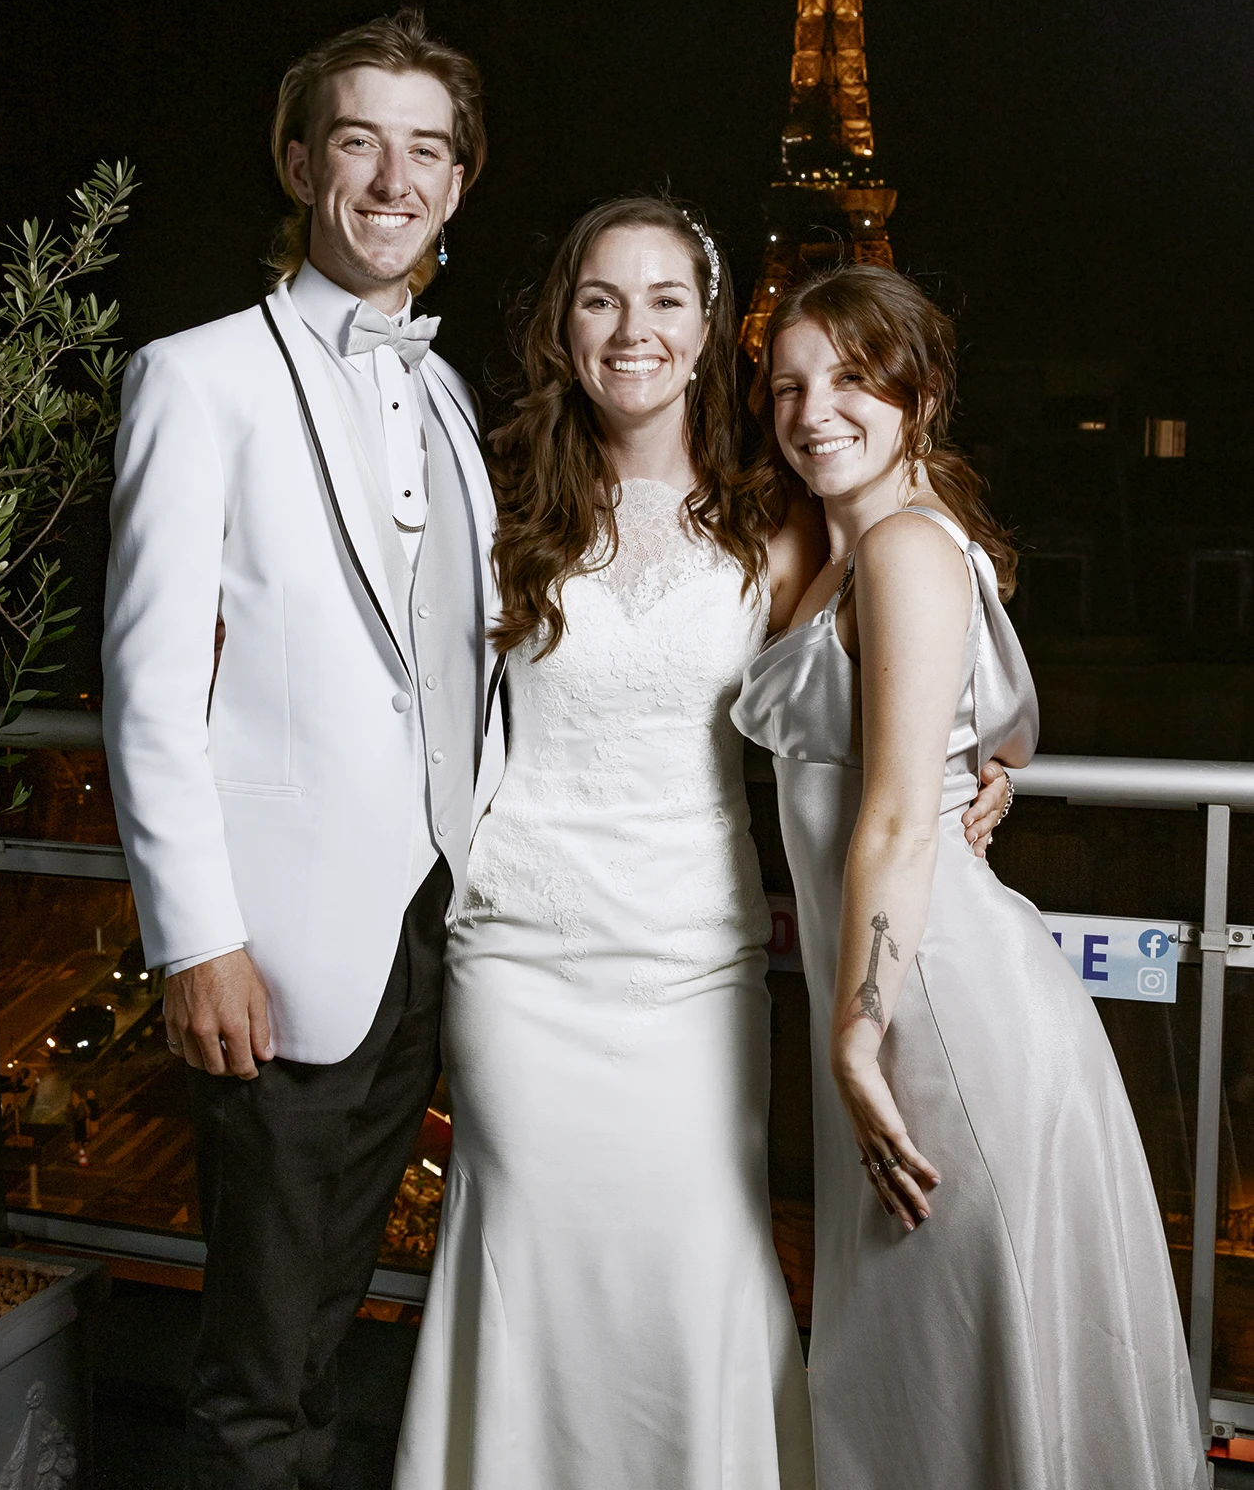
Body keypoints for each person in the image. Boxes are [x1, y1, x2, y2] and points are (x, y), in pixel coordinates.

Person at [393, 201, 1011, 1489]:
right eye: (601, 298)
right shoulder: (499, 503)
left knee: (694, 1260)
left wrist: (988, 755)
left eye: (666, 299)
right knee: (529, 1256)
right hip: (519, 959)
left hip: (695, 964)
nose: (635, 328)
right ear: (564, 327)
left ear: (709, 328)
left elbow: (902, 633)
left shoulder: (773, 517)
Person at [102, 10, 504, 1490]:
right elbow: (146, 685)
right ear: (296, 162)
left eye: (427, 150)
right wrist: (196, 940)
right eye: (358, 142)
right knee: (259, 1370)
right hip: (274, 952)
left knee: (334, 1328)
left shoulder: (450, 394)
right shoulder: (193, 376)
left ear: (457, 183)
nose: (394, 179)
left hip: (429, 933)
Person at [731, 264, 1206, 1490]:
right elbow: (990, 733)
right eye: (786, 386)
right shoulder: (845, 545)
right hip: (912, 993)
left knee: (946, 1360)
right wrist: (986, 767)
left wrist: (854, 1033)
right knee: (926, 1367)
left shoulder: (901, 548)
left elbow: (895, 819)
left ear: (922, 397)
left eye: (851, 379)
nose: (812, 410)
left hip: (934, 1012)